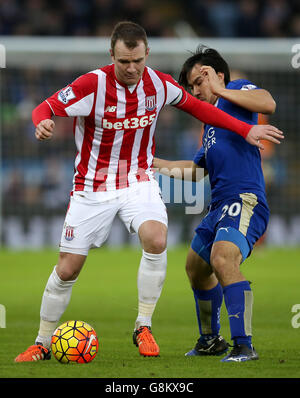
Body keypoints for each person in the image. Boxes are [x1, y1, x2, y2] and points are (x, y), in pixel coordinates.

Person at [15, 23, 283, 362]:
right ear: (111, 55)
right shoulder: (92, 84)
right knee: (73, 268)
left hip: (152, 184)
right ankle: (41, 342)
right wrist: (42, 121)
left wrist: (246, 127)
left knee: (165, 242)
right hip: (92, 187)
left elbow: (220, 106)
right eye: (124, 61)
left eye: (137, 61)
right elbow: (47, 106)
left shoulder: (177, 86)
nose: (131, 68)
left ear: (147, 56)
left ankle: (151, 328)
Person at [153, 45, 282, 362]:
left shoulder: (236, 91)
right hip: (219, 206)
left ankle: (244, 345)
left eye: (199, 82)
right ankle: (211, 340)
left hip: (245, 198)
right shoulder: (210, 124)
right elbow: (197, 171)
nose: (195, 91)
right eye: (192, 86)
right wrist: (151, 163)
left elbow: (268, 102)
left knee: (223, 259)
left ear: (217, 74)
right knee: (196, 268)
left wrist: (222, 88)